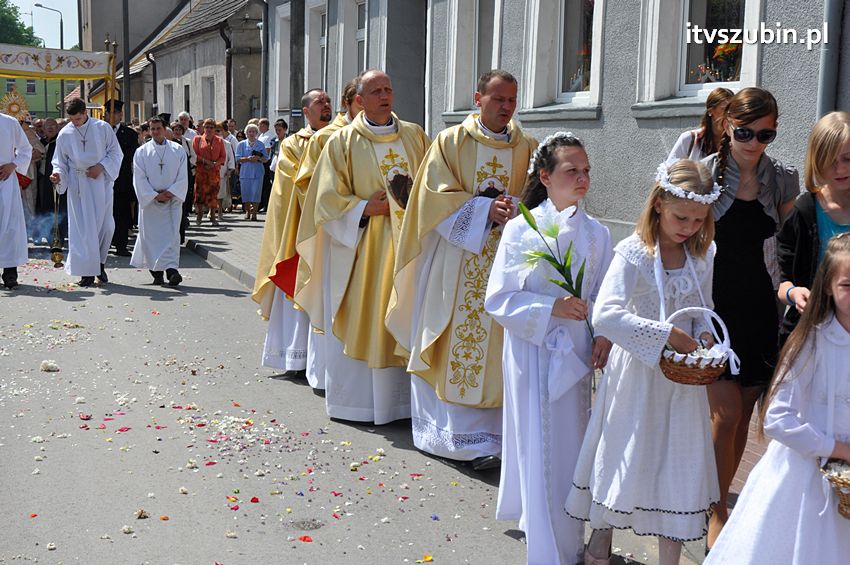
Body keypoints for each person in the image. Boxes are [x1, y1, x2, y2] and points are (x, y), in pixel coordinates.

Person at [565, 159, 722, 565]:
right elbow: (607, 315)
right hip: (637, 375)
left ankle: (669, 557)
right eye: (681, 217)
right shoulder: (634, 252)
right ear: (658, 205)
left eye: (697, 219)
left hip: (681, 382)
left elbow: (701, 307)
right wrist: (665, 333)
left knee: (678, 461)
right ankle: (599, 547)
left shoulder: (703, 254)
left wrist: (704, 335)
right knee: (624, 453)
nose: (688, 227)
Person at [385, 69, 536, 470]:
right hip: (458, 262)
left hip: (508, 262)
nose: (506, 107)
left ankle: (499, 438)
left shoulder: (528, 147)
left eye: (511, 100)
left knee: (500, 346)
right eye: (498, 99)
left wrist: (518, 210)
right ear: (478, 98)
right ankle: (458, 438)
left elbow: (539, 194)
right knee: (457, 340)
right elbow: (431, 199)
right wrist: (485, 208)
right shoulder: (451, 142)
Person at [484, 132, 613, 564]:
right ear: (546, 176)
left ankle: (569, 531)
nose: (582, 178)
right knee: (541, 442)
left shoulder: (597, 235)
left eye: (587, 170)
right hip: (534, 349)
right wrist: (550, 307)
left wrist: (603, 335)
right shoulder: (523, 228)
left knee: (573, 444)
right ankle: (549, 543)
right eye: (571, 170)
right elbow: (499, 298)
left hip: (575, 353)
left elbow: (603, 296)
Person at [704, 233, 850, 564]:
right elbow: (777, 418)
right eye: (848, 286)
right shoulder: (812, 344)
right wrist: (838, 449)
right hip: (804, 481)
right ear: (828, 286)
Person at [294, 70, 430, 424]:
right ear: (360, 99)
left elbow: (432, 185)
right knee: (366, 313)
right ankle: (361, 404)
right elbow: (323, 200)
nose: (385, 96)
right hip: (365, 249)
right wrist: (363, 208)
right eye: (375, 91)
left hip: (409, 248)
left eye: (388, 89)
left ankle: (403, 404)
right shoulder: (341, 142)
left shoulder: (415, 136)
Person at [702, 87, 800, 548]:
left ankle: (717, 498)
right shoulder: (704, 176)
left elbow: (789, 245)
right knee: (727, 413)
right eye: (745, 132)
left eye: (766, 134)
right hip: (714, 307)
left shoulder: (782, 180)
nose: (754, 142)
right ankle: (716, 509)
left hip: (761, 307)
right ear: (727, 126)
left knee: (742, 418)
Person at [287, 78, 362, 390]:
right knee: (328, 297)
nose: (327, 107)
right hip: (334, 228)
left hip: (372, 231)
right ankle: (319, 370)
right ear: (353, 102)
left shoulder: (395, 136)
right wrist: (347, 208)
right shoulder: (327, 139)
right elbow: (309, 186)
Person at [252, 88, 332, 374]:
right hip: (300, 228)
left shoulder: (342, 136)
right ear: (306, 111)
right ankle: (294, 358)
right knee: (297, 287)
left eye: (328, 101)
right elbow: (291, 185)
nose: (326, 105)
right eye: (320, 102)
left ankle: (321, 361)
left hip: (334, 228)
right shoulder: (293, 144)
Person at [777, 111, 850, 343]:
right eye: (830, 160)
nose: (840, 169)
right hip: (812, 333)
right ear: (816, 161)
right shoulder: (804, 211)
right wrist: (793, 293)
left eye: (848, 158)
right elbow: (782, 281)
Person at [49, 98, 123, 287]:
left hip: (101, 182)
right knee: (83, 229)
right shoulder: (65, 133)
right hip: (78, 184)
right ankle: (86, 273)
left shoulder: (102, 128)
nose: (76, 122)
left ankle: (99, 263)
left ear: (85, 113)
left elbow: (116, 153)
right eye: (72, 119)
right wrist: (57, 174)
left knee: (106, 226)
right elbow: (60, 161)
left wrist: (102, 166)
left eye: (79, 118)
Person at [130, 117, 188, 286]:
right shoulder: (141, 152)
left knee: (171, 236)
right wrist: (154, 195)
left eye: (158, 128)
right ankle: (156, 273)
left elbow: (183, 177)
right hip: (151, 204)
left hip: (172, 201)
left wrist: (170, 192)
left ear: (165, 129)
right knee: (151, 238)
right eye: (152, 129)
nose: (155, 132)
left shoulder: (178, 150)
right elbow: (139, 178)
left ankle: (171, 271)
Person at [103, 100, 140, 257]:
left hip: (121, 180)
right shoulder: (99, 132)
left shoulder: (130, 134)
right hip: (102, 179)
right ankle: (104, 243)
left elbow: (131, 157)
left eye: (114, 113)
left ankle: (121, 244)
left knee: (121, 214)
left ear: (120, 115)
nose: (111, 117)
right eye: (108, 114)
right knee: (104, 214)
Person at [0, 111, 32, 290]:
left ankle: (10, 272)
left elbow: (25, 149)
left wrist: (13, 165)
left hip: (5, 180)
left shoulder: (9, 122)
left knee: (10, 226)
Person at [666, 87, 733, 163]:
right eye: (724, 109)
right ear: (710, 111)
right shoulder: (689, 139)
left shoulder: (737, 141)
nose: (729, 115)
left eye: (732, 111)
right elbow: (669, 170)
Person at [192, 118, 226, 227]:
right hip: (201, 171)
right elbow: (194, 155)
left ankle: (213, 217)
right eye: (207, 127)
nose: (209, 129)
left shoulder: (220, 141)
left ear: (215, 129)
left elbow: (223, 156)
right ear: (203, 128)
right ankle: (200, 215)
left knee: (213, 194)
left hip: (214, 172)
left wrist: (216, 163)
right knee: (200, 194)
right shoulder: (197, 139)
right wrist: (205, 161)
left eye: (211, 127)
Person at [235, 123, 268, 221]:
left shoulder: (260, 144)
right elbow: (237, 158)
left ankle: (254, 213)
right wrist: (248, 158)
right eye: (250, 132)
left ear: (256, 133)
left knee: (256, 193)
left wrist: (259, 158)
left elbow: (266, 158)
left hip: (257, 172)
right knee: (246, 193)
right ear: (246, 133)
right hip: (245, 172)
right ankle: (247, 211)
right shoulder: (241, 144)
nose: (252, 133)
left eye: (254, 131)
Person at [216, 121, 236, 215]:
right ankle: (211, 211)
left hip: (222, 172)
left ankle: (220, 210)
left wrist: (230, 169)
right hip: (210, 171)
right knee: (211, 192)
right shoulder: (207, 142)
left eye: (218, 131)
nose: (216, 133)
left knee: (221, 193)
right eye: (214, 130)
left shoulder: (227, 143)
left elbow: (231, 158)